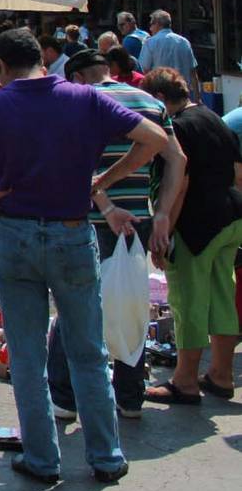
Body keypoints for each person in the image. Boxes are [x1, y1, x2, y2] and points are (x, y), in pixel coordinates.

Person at [0, 28, 166, 486]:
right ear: (41, 58)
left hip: (15, 234)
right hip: (73, 232)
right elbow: (152, 138)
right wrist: (102, 181)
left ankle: (42, 458)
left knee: (29, 356)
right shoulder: (84, 98)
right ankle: (106, 456)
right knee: (88, 352)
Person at [49, 50, 184, 419]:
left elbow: (74, 164)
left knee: (75, 303)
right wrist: (162, 217)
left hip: (91, 219)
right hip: (138, 219)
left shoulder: (80, 102)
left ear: (77, 78)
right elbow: (177, 160)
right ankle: (129, 397)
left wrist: (105, 204)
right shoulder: (149, 101)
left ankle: (63, 399)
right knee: (129, 302)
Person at [139, 67, 242, 404]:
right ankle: (222, 375)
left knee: (188, 302)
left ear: (158, 99)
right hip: (230, 216)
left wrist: (163, 230)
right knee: (223, 296)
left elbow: (179, 182)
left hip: (197, 223)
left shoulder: (177, 127)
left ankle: (184, 381)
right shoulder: (213, 117)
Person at [140, 10, 202, 100]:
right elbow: (192, 72)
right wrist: (197, 98)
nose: (150, 28)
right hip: (182, 94)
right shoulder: (184, 42)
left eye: (151, 24)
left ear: (158, 24)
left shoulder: (150, 42)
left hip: (160, 95)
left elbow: (144, 71)